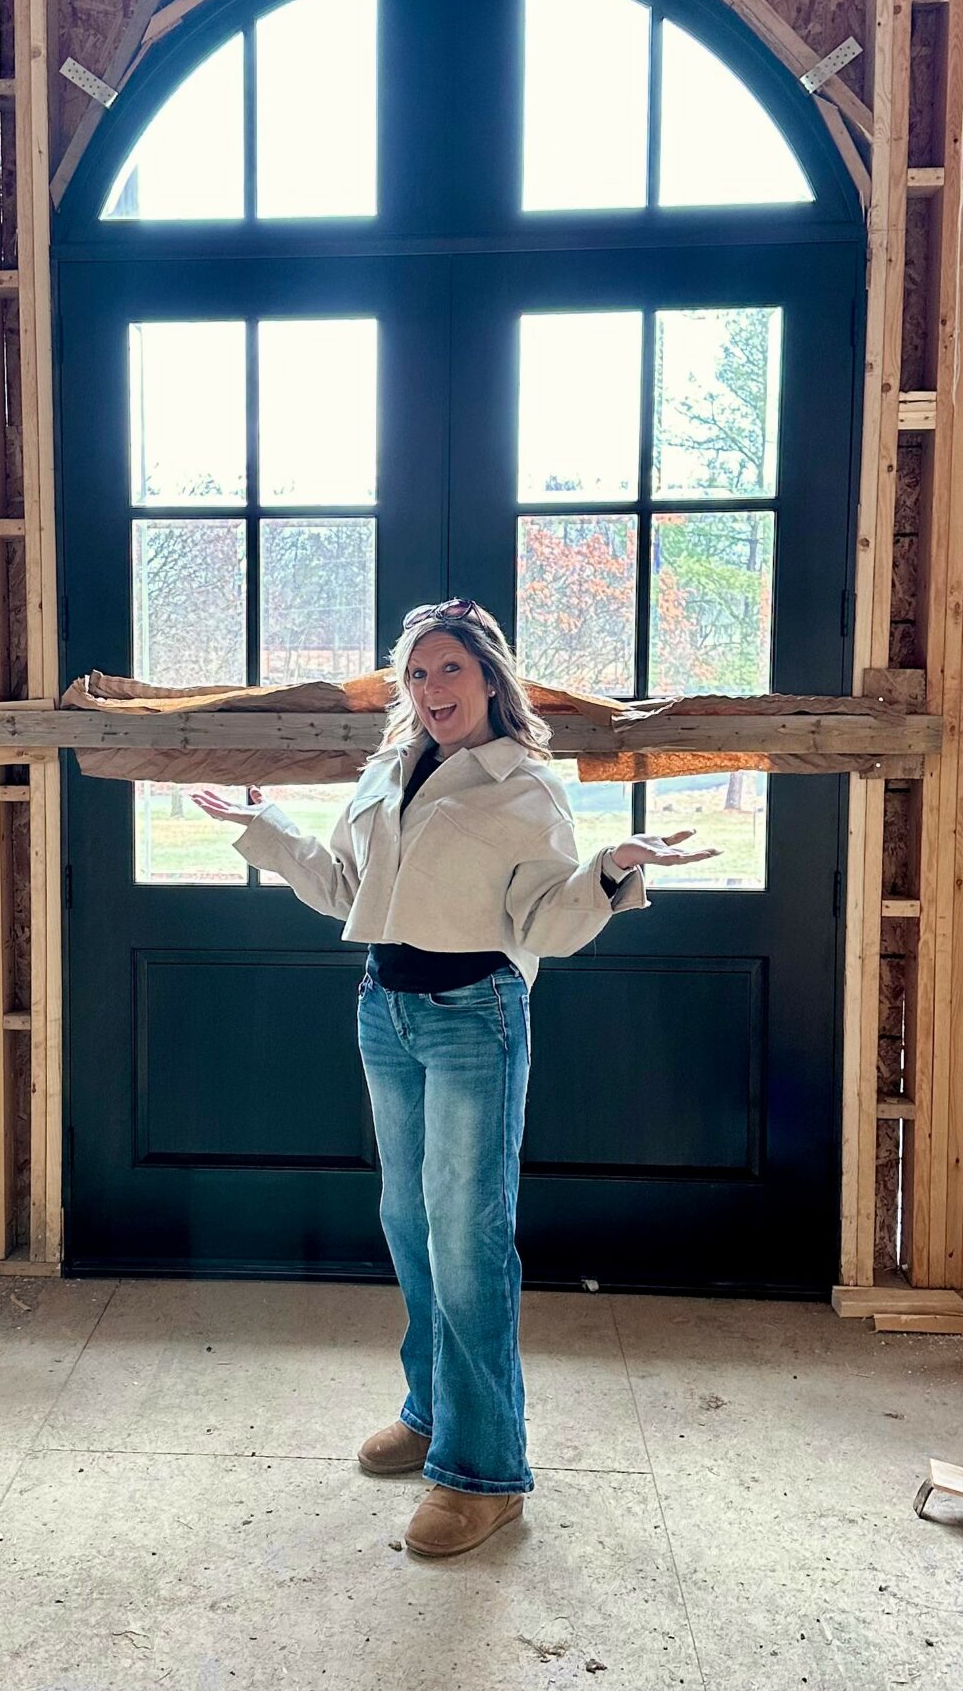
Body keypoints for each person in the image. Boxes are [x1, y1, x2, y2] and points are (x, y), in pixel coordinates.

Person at [192, 599, 716, 1559]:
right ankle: (432, 1410)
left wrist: (610, 869)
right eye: (418, 676)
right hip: (383, 1008)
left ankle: (484, 1474)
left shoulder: (525, 789)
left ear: (489, 681)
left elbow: (546, 924)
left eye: (451, 672)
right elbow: (351, 895)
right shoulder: (386, 771)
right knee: (408, 1221)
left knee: (468, 1240)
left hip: (475, 1015)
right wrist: (265, 826)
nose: (433, 690)